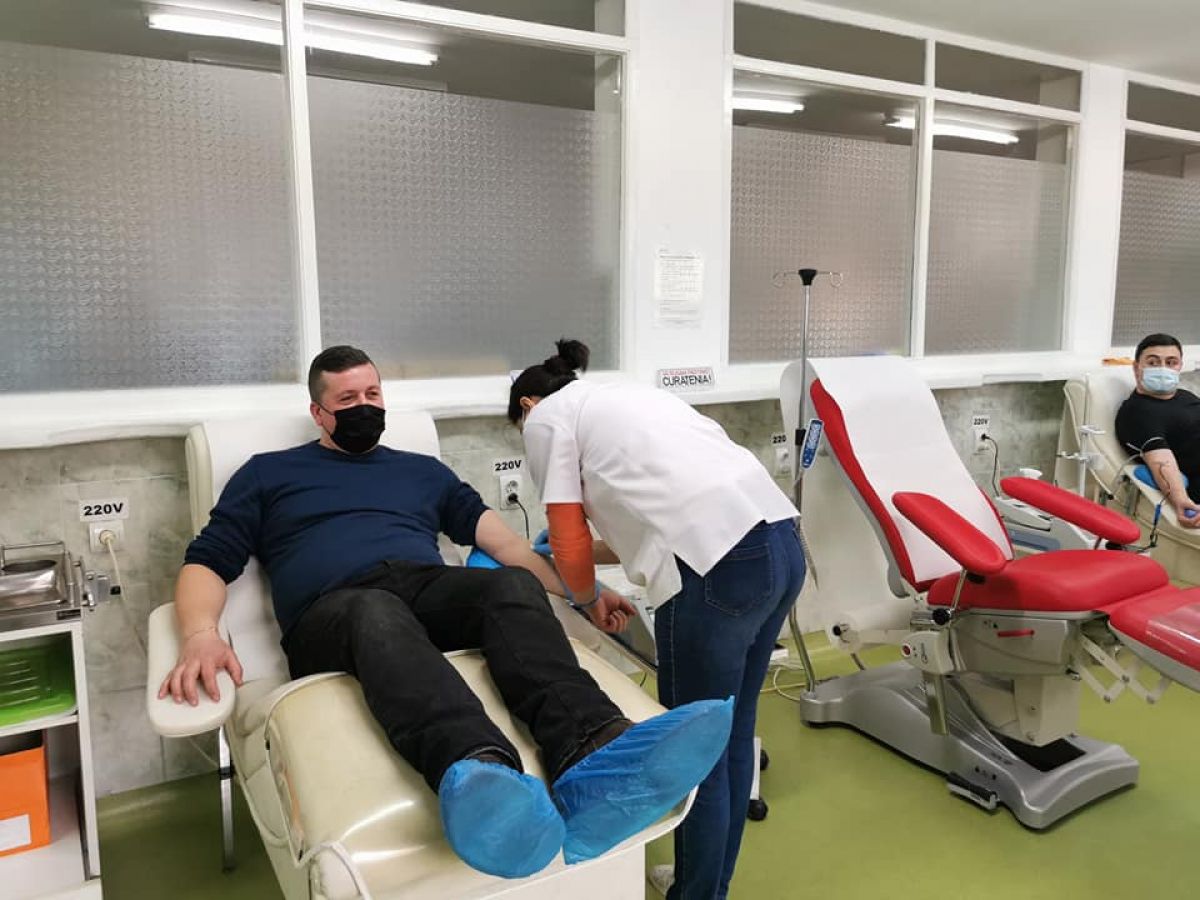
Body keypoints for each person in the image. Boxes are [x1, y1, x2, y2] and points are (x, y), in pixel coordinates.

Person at [157, 345, 733, 879]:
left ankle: (593, 750)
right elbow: (207, 560)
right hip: (333, 610)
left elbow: (510, 549)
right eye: (347, 399)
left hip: (422, 588)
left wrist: (583, 594)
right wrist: (201, 633)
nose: (364, 407)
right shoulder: (268, 474)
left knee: (508, 585)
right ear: (318, 412)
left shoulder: (422, 472)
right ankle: (480, 773)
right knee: (375, 611)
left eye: (372, 394)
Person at [509, 339, 806, 900]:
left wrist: (584, 597)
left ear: (527, 404)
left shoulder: (545, 418)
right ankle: (706, 887)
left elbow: (570, 536)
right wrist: (577, 563)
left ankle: (695, 894)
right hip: (780, 546)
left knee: (694, 749)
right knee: (731, 734)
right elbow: (648, 525)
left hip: (718, 569)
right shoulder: (625, 394)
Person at [1115, 333, 1200, 529]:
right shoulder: (1137, 413)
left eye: (1171, 362)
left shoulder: (1185, 396)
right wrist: (1181, 500)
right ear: (1137, 368)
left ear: (1179, 366)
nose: (1163, 368)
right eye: (1153, 362)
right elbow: (1161, 460)